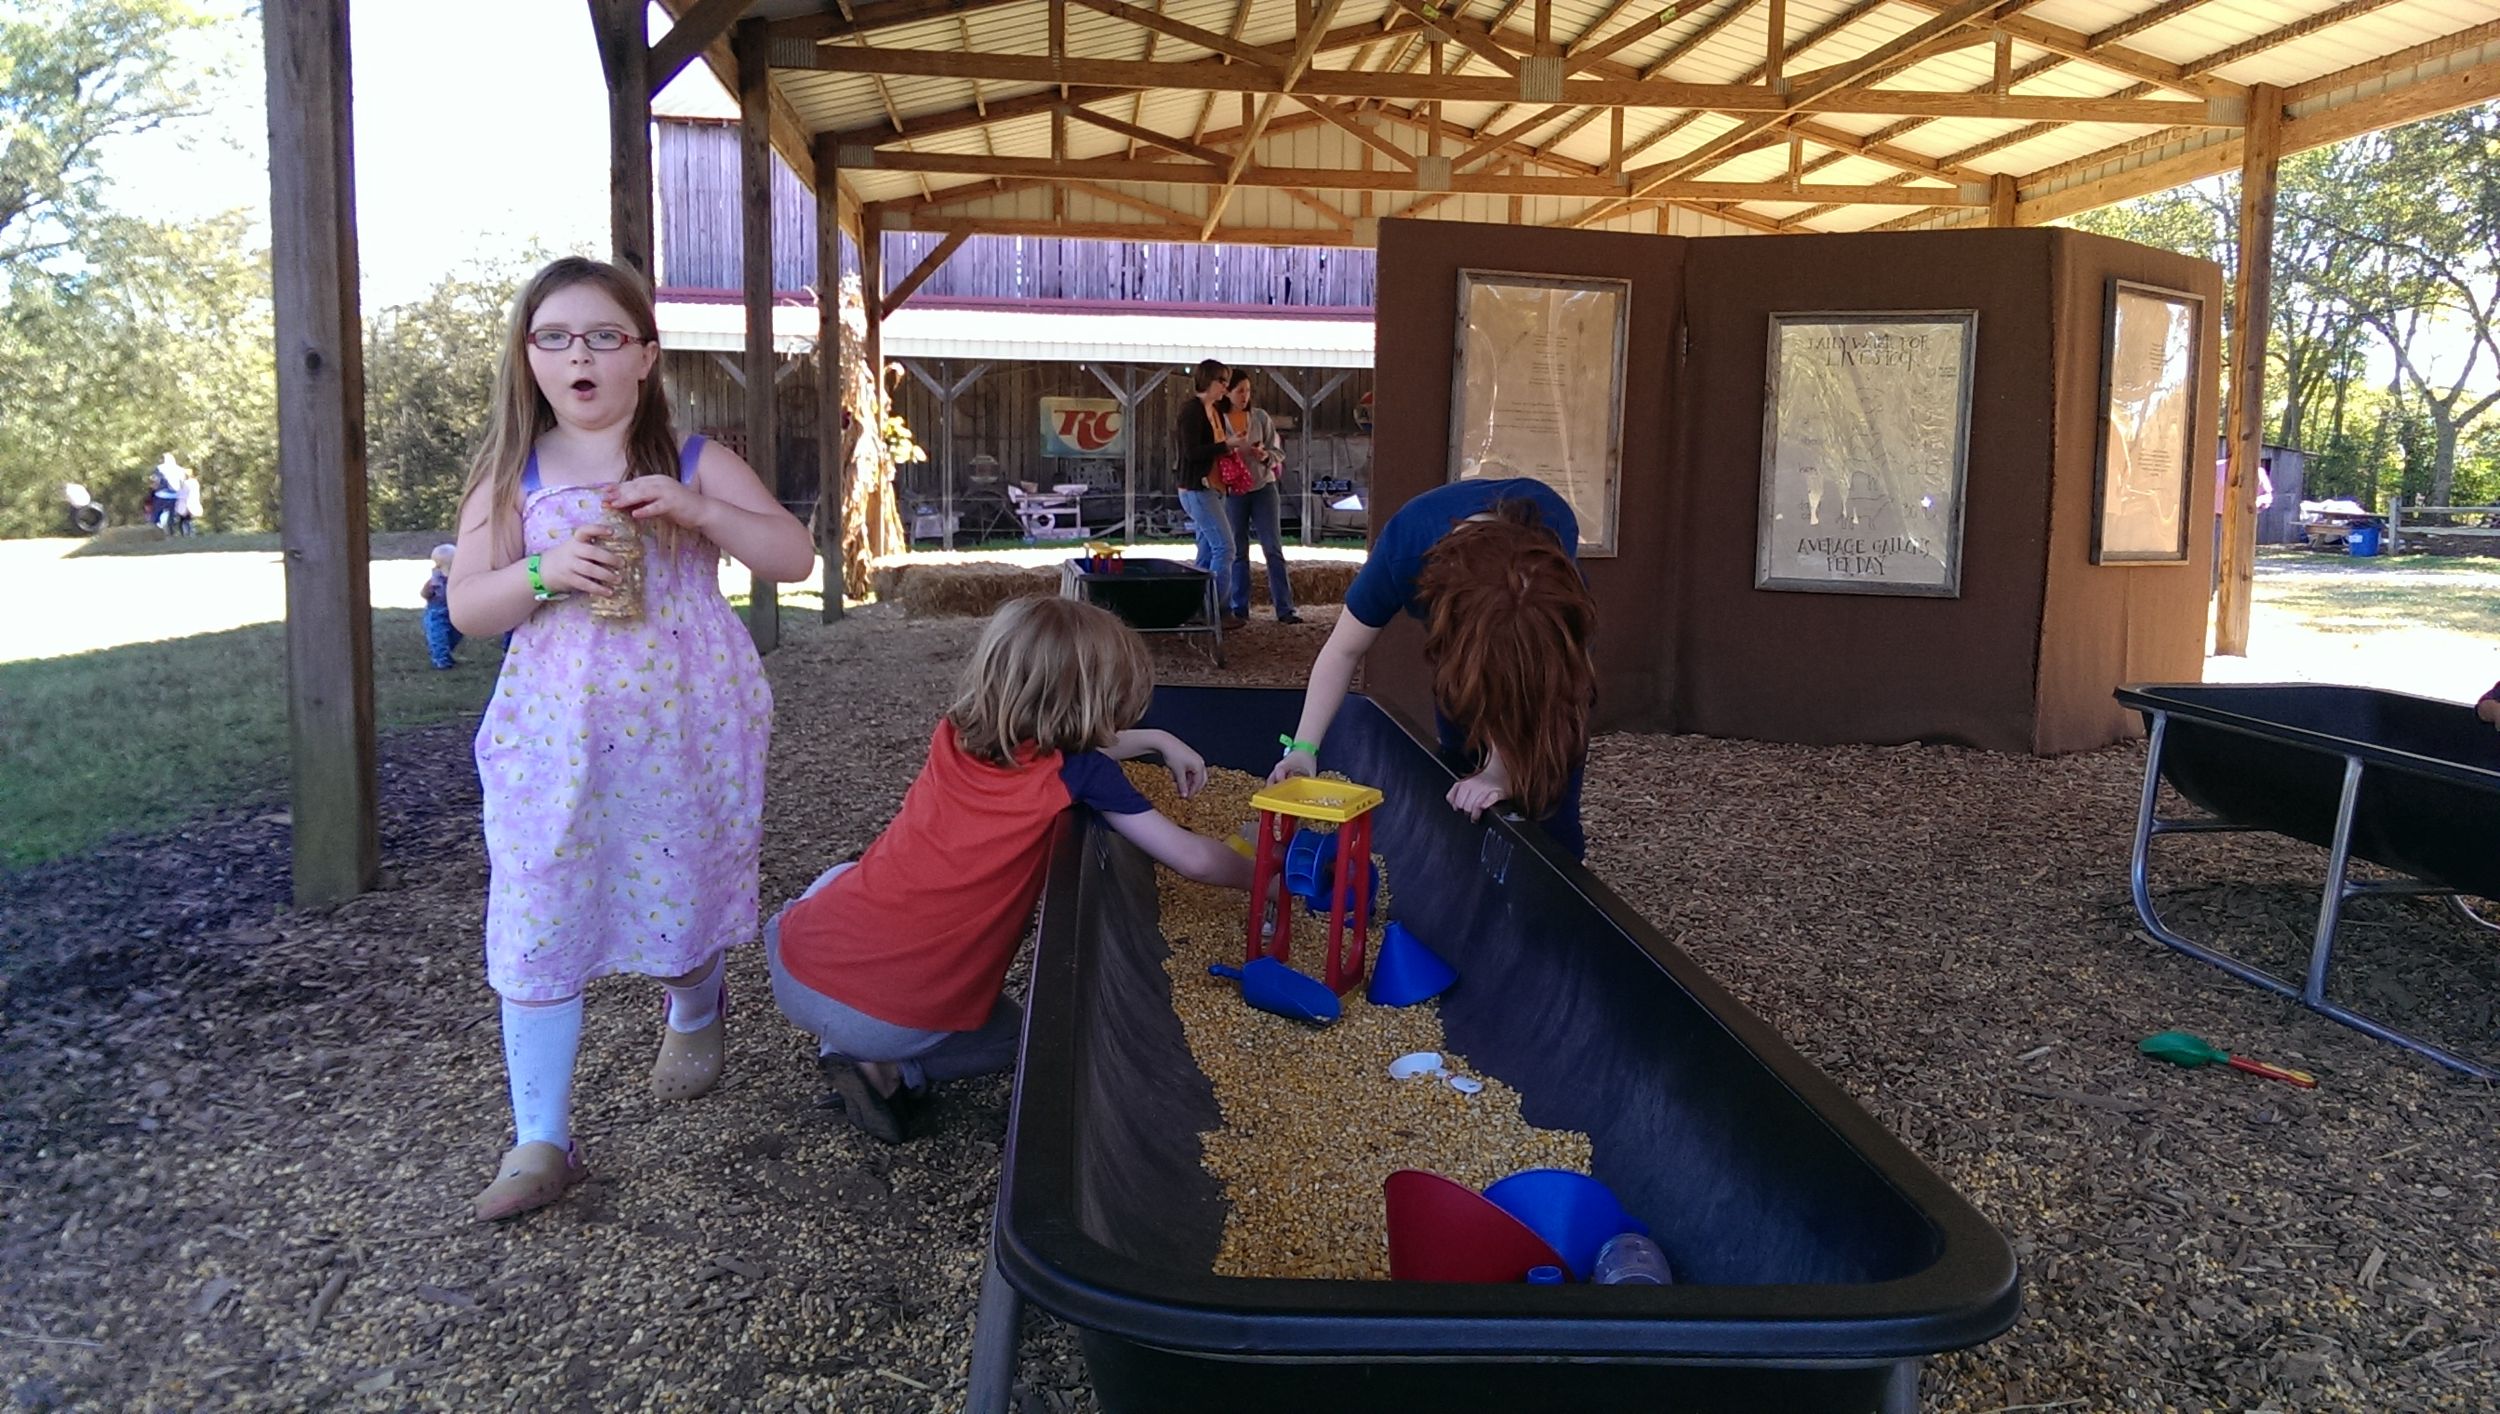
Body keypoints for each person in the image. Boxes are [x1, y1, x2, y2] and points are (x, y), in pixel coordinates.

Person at [447, 256, 816, 1221]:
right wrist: (542, 570)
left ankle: (695, 1006)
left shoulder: (693, 459)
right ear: (528, 357)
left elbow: (792, 552)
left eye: (605, 336)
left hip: (683, 730)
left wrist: (695, 509)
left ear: (645, 356)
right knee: (538, 911)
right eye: (555, 336)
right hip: (554, 738)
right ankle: (540, 1137)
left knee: (674, 894)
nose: (581, 355)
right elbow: (471, 606)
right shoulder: (509, 475)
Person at [766, 595, 1256, 1142]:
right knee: (1021, 1042)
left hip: (793, 962)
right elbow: (1194, 858)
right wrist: (1266, 877)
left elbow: (1056, 741)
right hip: (887, 1023)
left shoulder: (953, 732)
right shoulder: (1078, 775)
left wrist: (1161, 742)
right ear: (1098, 703)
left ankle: (844, 1044)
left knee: (842, 875)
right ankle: (888, 1069)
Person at [1269, 477, 1598, 858]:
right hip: (1465, 654)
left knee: (1550, 790)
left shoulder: (1553, 527)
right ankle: (1468, 878)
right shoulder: (1405, 550)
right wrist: (1304, 747)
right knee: (1462, 773)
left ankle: (1559, 884)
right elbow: (1342, 652)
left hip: (1545, 658)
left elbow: (1555, 688)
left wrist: (1502, 767)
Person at [1221, 370, 1298, 625]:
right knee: (1237, 550)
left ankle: (1285, 608)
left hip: (1264, 487)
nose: (1245, 396)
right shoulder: (1219, 420)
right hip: (1234, 491)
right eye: (1240, 390)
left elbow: (1278, 451)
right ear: (1228, 392)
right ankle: (1239, 607)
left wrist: (1266, 456)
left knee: (1273, 548)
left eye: (1248, 391)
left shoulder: (1260, 417)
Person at [1175, 358, 1243, 629]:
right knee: (1225, 548)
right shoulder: (1192, 411)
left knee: (1206, 553)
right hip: (1197, 487)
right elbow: (1191, 452)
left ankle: (1195, 608)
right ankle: (1217, 610)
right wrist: (1226, 446)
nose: (1225, 387)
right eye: (1222, 381)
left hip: (1212, 487)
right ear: (1208, 381)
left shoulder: (1211, 410)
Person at [421, 543, 462, 669]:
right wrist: (428, 590)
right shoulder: (436, 579)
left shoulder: (459, 577)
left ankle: (446, 653)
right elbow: (424, 593)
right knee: (438, 636)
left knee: (456, 634)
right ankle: (441, 659)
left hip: (455, 611)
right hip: (437, 613)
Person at [174, 461, 204, 536]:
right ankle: (190, 533)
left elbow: (182, 495)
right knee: (188, 521)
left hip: (187, 505)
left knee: (185, 521)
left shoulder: (187, 483)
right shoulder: (195, 482)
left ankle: (188, 534)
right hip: (191, 504)